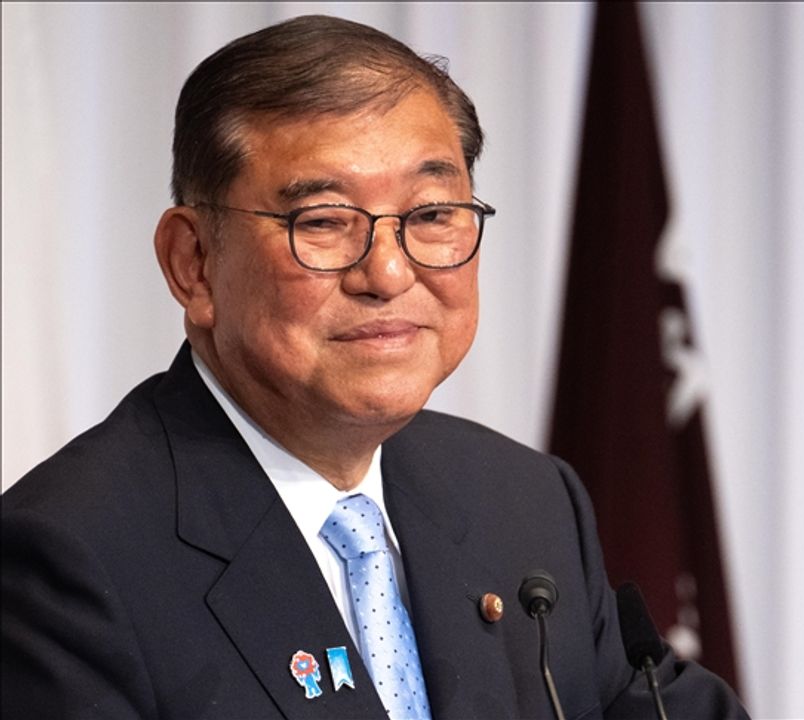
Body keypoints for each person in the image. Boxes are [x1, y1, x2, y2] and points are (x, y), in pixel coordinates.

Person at [1, 14, 747, 720]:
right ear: (193, 263)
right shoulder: (69, 560)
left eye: (431, 215)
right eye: (324, 221)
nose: (388, 273)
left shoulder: (524, 503)